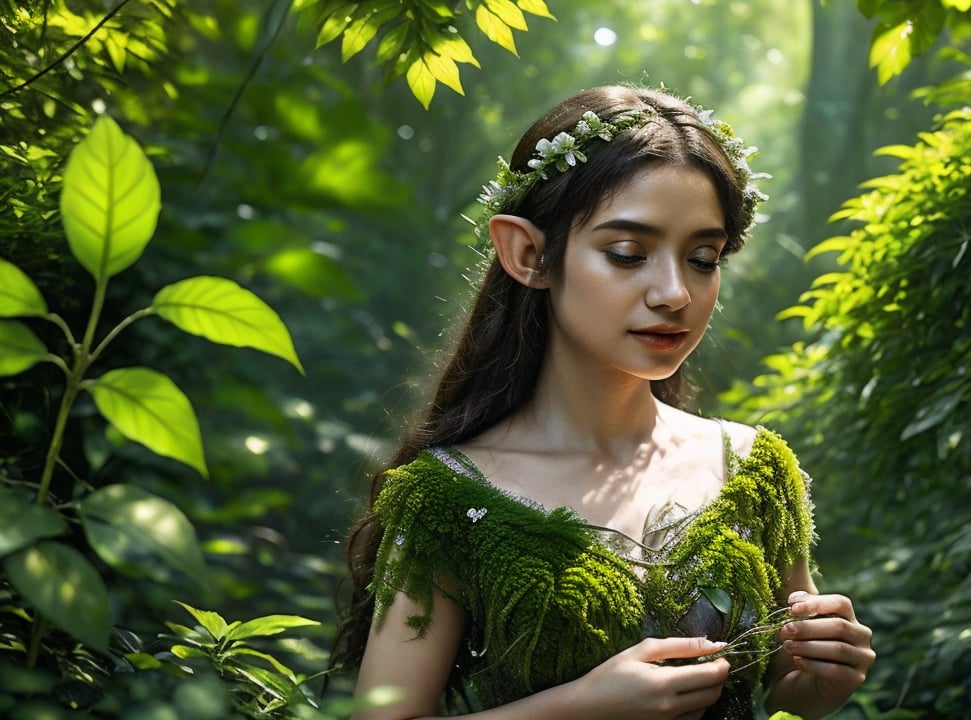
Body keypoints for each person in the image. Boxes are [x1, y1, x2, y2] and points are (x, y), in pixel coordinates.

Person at [331, 84, 875, 720]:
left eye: (703, 258)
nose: (674, 292)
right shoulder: (447, 498)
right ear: (529, 254)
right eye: (628, 254)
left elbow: (785, 690)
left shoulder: (753, 469)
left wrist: (822, 679)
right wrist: (580, 706)